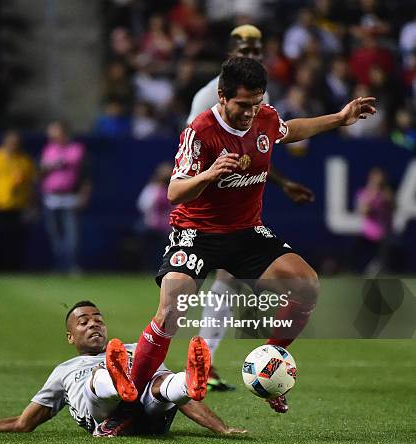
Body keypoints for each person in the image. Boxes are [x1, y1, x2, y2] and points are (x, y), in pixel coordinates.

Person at [126, 57, 376, 415]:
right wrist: (209, 174)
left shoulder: (265, 117)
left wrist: (339, 118)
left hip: (245, 232)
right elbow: (175, 192)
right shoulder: (200, 130)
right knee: (170, 310)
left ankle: (270, 368)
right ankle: (130, 399)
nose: (249, 113)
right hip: (197, 232)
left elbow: (288, 130)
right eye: (243, 105)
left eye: (255, 104)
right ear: (222, 96)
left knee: (307, 286)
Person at [187, 25, 315, 392]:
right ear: (231, 51)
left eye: (258, 48)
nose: (253, 54)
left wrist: (283, 182)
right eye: (245, 48)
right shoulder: (206, 97)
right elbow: (192, 151)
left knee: (226, 281)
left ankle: (202, 363)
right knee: (191, 288)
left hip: (240, 203)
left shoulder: (259, 91)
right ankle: (191, 366)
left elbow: (257, 149)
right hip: (208, 205)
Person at [0, 301, 246, 437]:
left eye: (98, 320)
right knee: (100, 381)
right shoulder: (65, 370)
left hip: (149, 417)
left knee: (164, 385)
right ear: (70, 336)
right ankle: (118, 381)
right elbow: (23, 424)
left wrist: (222, 428)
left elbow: (186, 402)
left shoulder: (135, 350)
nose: (94, 325)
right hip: (103, 416)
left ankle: (189, 379)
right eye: (84, 322)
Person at [0, 131, 36, 271]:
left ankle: (15, 268)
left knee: (17, 240)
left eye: (16, 142)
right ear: (4, 142)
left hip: (19, 206)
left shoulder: (24, 160)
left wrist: (30, 205)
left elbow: (31, 184)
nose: (14, 145)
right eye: (11, 142)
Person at [40, 121, 91, 274]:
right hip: (51, 198)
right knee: (55, 237)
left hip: (70, 198)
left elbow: (85, 173)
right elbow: (42, 169)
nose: (51, 135)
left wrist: (84, 194)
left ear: (63, 133)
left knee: (72, 237)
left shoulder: (76, 148)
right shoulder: (48, 149)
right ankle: (59, 266)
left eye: (54, 132)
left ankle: (71, 266)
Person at [354, 167, 394, 276]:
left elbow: (392, 209)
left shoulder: (386, 195)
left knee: (380, 268)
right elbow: (364, 211)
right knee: (366, 269)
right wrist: (372, 195)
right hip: (367, 236)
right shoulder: (363, 193)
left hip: (383, 237)